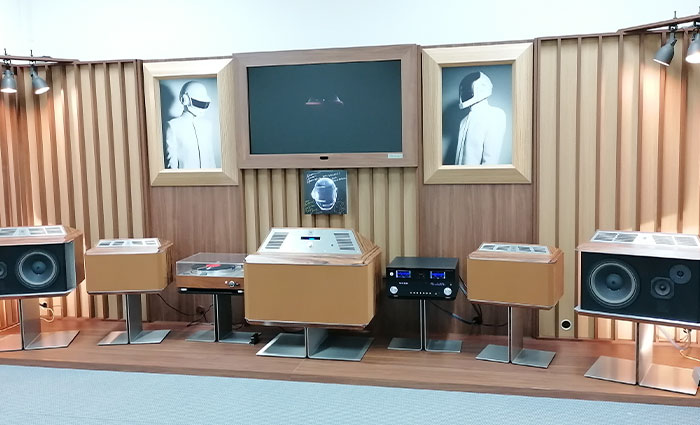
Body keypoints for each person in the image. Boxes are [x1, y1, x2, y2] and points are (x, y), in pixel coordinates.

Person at [454, 72, 506, 165]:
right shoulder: (464, 121)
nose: (464, 93)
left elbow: (490, 162)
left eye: (467, 90)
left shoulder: (495, 115)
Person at [164, 81, 216, 169]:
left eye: (204, 103)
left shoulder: (207, 126)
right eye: (198, 102)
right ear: (184, 99)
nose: (202, 107)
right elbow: (172, 165)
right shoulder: (173, 126)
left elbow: (211, 159)